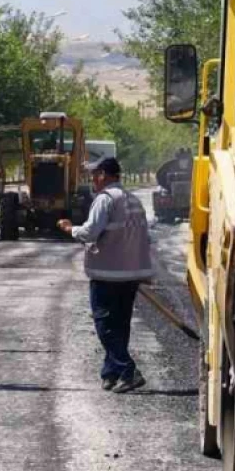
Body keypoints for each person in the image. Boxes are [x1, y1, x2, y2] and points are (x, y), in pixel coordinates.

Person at [58, 157, 156, 393]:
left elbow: (91, 232)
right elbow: (144, 237)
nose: (92, 179)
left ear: (104, 175)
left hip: (107, 274)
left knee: (104, 325)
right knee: (120, 326)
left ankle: (128, 370)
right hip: (129, 274)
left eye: (94, 174)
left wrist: (71, 229)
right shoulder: (133, 199)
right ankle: (110, 373)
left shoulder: (106, 199)